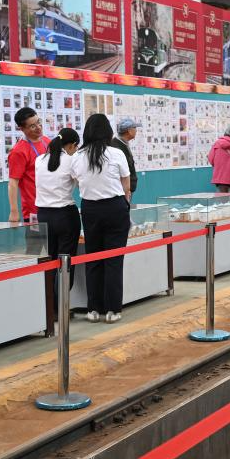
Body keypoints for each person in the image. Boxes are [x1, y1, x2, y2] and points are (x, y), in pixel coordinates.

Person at [70, 114, 131, 324]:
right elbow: (126, 185)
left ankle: (94, 309)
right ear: (108, 132)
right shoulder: (116, 153)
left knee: (93, 258)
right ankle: (113, 310)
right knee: (114, 260)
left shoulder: (77, 156)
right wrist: (124, 202)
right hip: (115, 208)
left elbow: (77, 181)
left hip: (90, 209)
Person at [35, 128, 81, 287]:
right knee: (66, 262)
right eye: (76, 147)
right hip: (65, 215)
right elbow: (81, 184)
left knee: (49, 260)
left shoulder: (39, 160)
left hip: (43, 215)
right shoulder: (71, 161)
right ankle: (62, 299)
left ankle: (50, 300)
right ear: (72, 145)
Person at [7, 107, 49, 223]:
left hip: (52, 206)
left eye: (39, 122)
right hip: (34, 210)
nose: (38, 127)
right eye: (32, 126)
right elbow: (13, 183)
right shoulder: (18, 151)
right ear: (22, 129)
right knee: (37, 236)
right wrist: (14, 211)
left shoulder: (46, 141)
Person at [112, 118, 140, 195]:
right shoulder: (116, 146)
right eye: (135, 128)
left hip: (126, 189)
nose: (136, 130)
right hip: (122, 191)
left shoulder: (123, 143)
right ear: (129, 131)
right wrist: (126, 190)